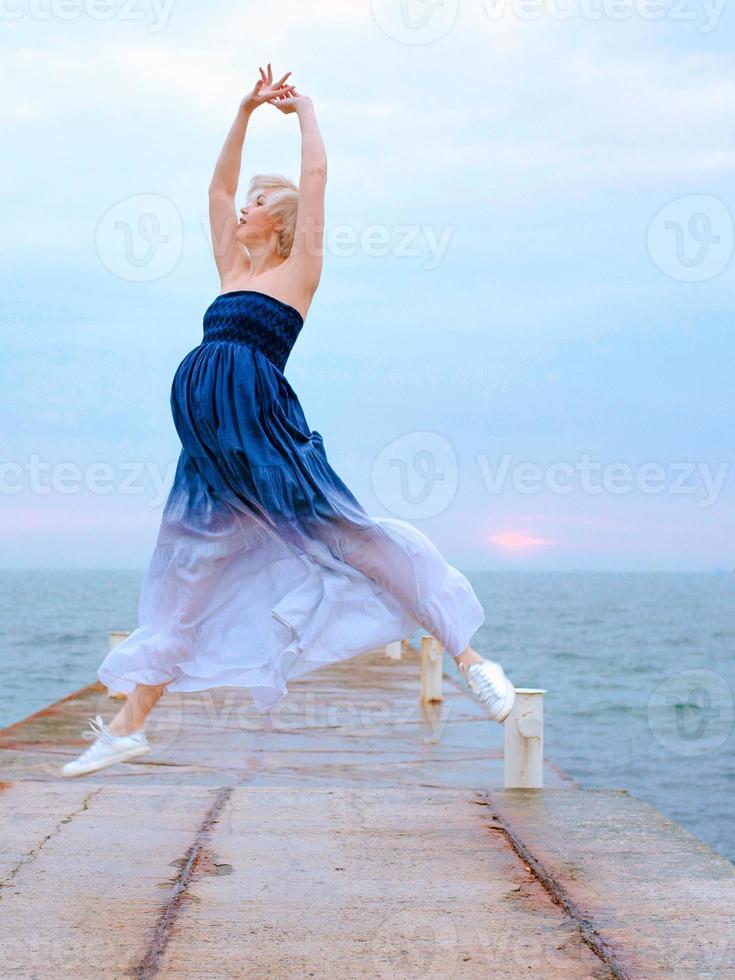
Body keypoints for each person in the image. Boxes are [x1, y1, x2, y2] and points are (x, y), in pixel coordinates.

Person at [61, 65, 515, 779]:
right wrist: (243, 110)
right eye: (243, 206)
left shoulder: (297, 272)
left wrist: (302, 109)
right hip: (211, 451)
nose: (239, 211)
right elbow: (212, 190)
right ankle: (127, 727)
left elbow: (319, 176)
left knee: (350, 539)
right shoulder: (230, 271)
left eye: (253, 205)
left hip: (263, 435)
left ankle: (468, 655)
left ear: (278, 220)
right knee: (191, 574)